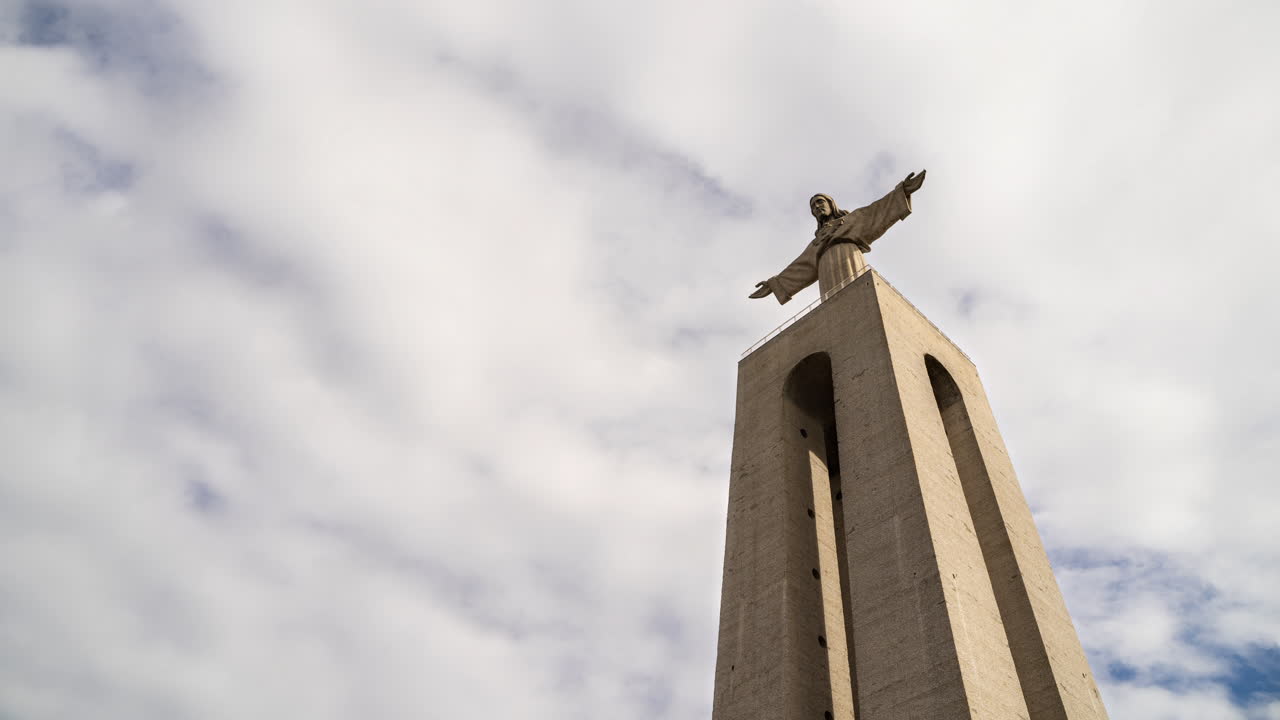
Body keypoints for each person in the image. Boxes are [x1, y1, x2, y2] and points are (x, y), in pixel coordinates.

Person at [749, 170, 926, 304]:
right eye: (813, 206)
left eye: (820, 202)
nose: (817, 207)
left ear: (830, 204)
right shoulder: (817, 242)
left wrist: (902, 191)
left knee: (860, 301)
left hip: (848, 254)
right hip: (826, 270)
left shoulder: (852, 219)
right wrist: (774, 284)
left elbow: (877, 210)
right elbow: (801, 266)